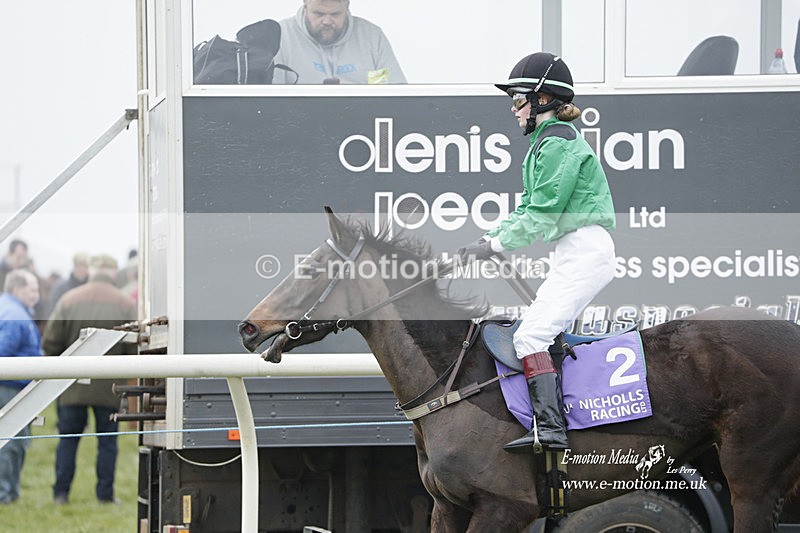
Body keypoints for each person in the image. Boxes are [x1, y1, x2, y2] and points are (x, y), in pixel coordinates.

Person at [457, 53, 616, 451]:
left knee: (530, 338)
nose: (513, 109)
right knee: (546, 336)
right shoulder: (546, 143)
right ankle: (571, 420)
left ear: (543, 98)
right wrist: (487, 239)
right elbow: (529, 209)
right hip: (572, 249)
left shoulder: (558, 143)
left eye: (517, 99)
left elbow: (543, 215)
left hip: (584, 249)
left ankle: (550, 429)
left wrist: (492, 244)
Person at [42, 254, 136, 505]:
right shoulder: (125, 303)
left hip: (71, 386)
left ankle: (60, 494)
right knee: (107, 444)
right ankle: (105, 496)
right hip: (109, 389)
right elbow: (133, 350)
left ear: (92, 271)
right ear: (113, 273)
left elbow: (50, 343)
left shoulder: (68, 300)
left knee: (68, 441)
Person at [273, 0, 406, 84]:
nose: (327, 21)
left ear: (347, 6)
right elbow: (269, 98)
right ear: (305, 4)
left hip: (360, 122)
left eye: (335, 14)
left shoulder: (372, 37)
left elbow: (394, 93)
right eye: (319, 14)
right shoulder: (281, 36)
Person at [0, 269, 42, 503]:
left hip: (12, 387)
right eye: (32, 289)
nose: (36, 294)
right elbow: (3, 353)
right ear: (17, 289)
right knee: (11, 443)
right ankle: (5, 495)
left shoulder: (11, 308)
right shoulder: (14, 315)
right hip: (9, 389)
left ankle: (9, 493)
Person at [45, 253, 89, 318]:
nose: (82, 269)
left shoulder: (90, 288)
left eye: (85, 266)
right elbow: (52, 310)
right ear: (75, 266)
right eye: (80, 266)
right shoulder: (61, 287)